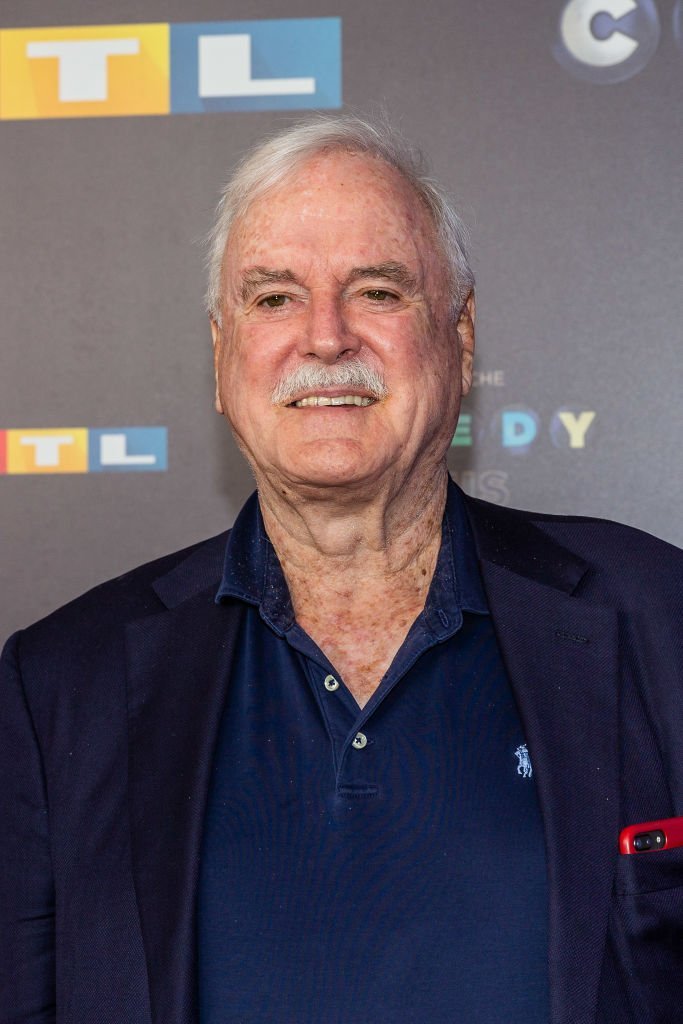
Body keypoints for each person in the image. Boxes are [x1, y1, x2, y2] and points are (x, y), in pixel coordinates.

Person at [1, 115, 682, 1024]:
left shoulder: (658, 618)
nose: (324, 339)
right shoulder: (58, 689)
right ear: (220, 356)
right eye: (274, 298)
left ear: (461, 338)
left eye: (377, 291)